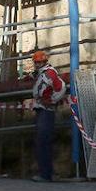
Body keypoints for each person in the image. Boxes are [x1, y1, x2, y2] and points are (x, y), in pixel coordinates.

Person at [29, 49, 65, 182]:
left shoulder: (49, 73)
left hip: (46, 111)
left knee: (43, 142)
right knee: (42, 142)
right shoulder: (44, 73)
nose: (37, 64)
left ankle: (46, 174)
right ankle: (45, 172)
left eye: (39, 62)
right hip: (43, 109)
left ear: (44, 62)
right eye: (36, 62)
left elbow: (60, 88)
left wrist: (51, 100)